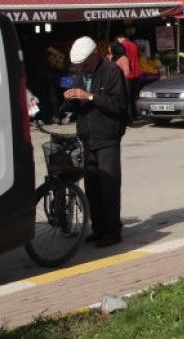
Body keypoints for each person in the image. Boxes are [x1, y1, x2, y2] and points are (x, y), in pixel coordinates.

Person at [62, 36, 128, 247]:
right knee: (92, 186)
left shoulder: (111, 71)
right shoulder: (80, 72)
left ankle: (112, 231)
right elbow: (74, 105)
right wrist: (70, 100)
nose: (84, 67)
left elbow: (118, 105)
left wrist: (90, 97)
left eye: (86, 62)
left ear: (94, 55)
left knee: (108, 185)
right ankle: (98, 228)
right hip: (87, 136)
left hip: (107, 136)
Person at [116, 35, 141, 122]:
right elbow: (139, 56)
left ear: (120, 39)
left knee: (127, 97)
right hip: (137, 73)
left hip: (127, 75)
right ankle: (136, 115)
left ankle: (130, 117)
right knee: (135, 96)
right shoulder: (134, 45)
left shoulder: (121, 47)